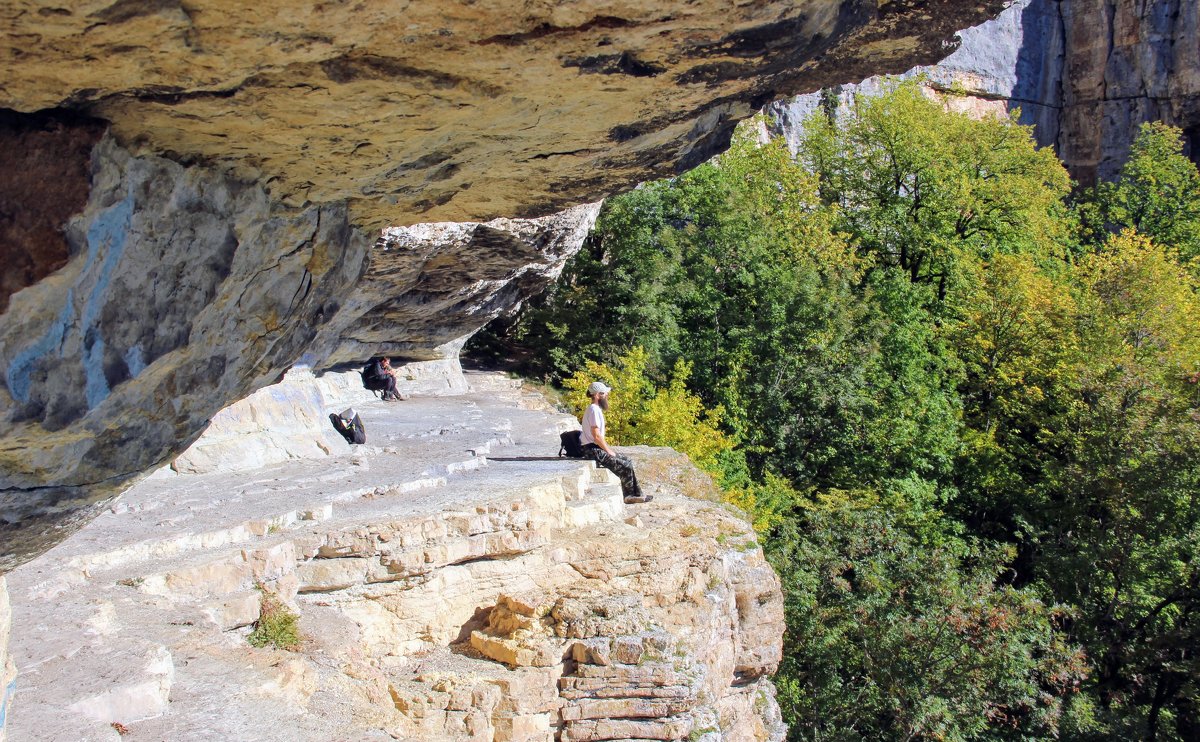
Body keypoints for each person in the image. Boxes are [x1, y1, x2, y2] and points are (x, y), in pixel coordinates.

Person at [580, 381, 651, 504]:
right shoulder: (593, 410)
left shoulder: (594, 409)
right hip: (592, 450)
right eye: (604, 394)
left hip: (594, 449)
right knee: (625, 465)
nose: (607, 396)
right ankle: (629, 496)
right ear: (597, 395)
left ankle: (636, 494)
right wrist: (609, 451)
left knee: (627, 460)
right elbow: (596, 436)